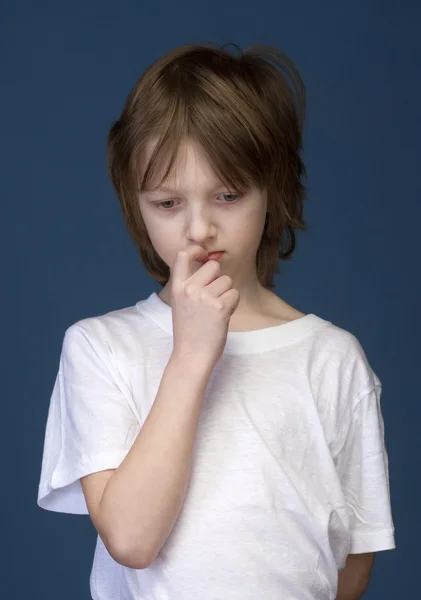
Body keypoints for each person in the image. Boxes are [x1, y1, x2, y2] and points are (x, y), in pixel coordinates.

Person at [37, 42, 395, 600]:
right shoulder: (100, 347)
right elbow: (130, 539)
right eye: (168, 203)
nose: (198, 229)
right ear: (137, 206)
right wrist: (191, 356)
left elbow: (351, 559)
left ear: (271, 194)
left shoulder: (331, 358)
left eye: (227, 195)